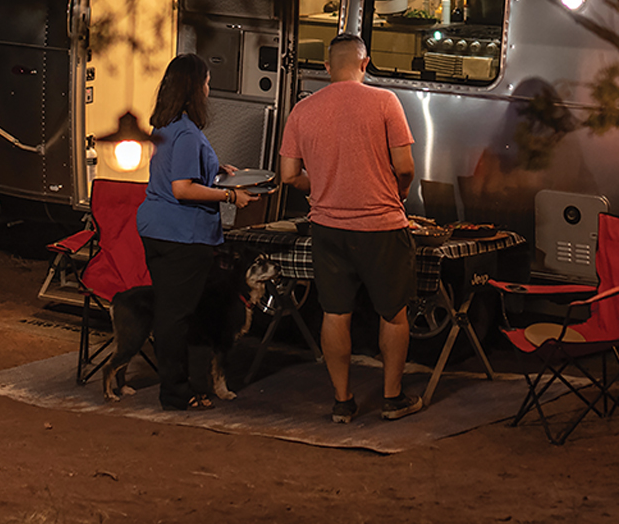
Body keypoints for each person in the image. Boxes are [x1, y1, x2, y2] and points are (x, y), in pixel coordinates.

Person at [277, 33, 423, 422]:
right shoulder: (384, 102)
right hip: (381, 225)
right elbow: (405, 166)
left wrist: (321, 183)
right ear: (365, 63)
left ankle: (342, 402)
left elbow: (289, 175)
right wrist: (400, 191)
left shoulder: (302, 111)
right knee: (393, 313)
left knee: (335, 313)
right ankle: (392, 399)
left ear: (327, 67)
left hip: (327, 228)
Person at [134, 52, 253, 411]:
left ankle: (183, 385)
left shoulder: (167, 125)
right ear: (193, 87)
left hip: (158, 229)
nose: (209, 87)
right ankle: (176, 392)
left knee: (175, 312)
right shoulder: (185, 132)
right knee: (176, 316)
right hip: (181, 236)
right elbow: (182, 188)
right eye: (206, 82)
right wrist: (231, 194)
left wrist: (217, 169)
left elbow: (180, 172)